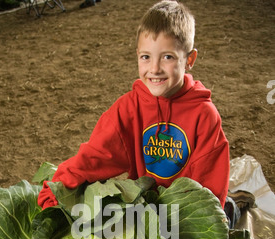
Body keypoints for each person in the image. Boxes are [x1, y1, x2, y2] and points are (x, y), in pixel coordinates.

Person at [38, 0, 230, 212]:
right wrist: (59, 185)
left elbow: (209, 186)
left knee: (226, 216)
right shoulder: (128, 108)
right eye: (146, 57)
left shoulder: (204, 115)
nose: (154, 69)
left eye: (168, 57)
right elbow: (95, 155)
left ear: (190, 59)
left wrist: (200, 221)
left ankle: (234, 205)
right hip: (144, 208)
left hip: (183, 211)